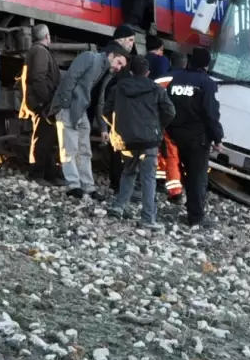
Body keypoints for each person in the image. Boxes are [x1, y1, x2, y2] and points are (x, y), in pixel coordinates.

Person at [48, 43, 128, 200]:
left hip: (80, 110)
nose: (119, 68)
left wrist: (103, 127)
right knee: (70, 148)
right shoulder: (89, 58)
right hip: (71, 107)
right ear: (111, 55)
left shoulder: (106, 72)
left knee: (84, 150)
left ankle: (87, 187)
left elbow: (99, 101)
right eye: (119, 62)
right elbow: (70, 79)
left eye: (122, 66)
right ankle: (74, 186)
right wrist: (65, 105)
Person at [104, 54, 175, 228]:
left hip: (126, 139)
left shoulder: (118, 88)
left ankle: (119, 207)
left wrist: (118, 127)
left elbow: (106, 110)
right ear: (148, 72)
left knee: (128, 171)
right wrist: (159, 125)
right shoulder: (156, 89)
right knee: (148, 178)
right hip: (149, 140)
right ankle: (147, 218)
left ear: (130, 71)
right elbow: (170, 111)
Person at [166, 46, 224, 228]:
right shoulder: (206, 83)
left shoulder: (175, 79)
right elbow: (211, 113)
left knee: (184, 173)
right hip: (197, 138)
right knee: (197, 177)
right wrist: (217, 138)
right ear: (206, 65)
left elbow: (167, 105)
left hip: (176, 134)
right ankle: (196, 217)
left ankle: (189, 209)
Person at [96, 25, 138, 193]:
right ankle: (118, 183)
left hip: (102, 106)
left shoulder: (103, 52)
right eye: (130, 40)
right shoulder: (123, 58)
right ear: (121, 39)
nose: (132, 45)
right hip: (116, 108)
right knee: (118, 147)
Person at [19, 24, 61, 184]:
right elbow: (38, 77)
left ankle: (50, 174)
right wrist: (46, 100)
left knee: (48, 138)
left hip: (42, 102)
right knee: (43, 139)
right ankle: (36, 174)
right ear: (47, 36)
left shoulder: (37, 51)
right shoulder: (40, 51)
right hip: (43, 103)